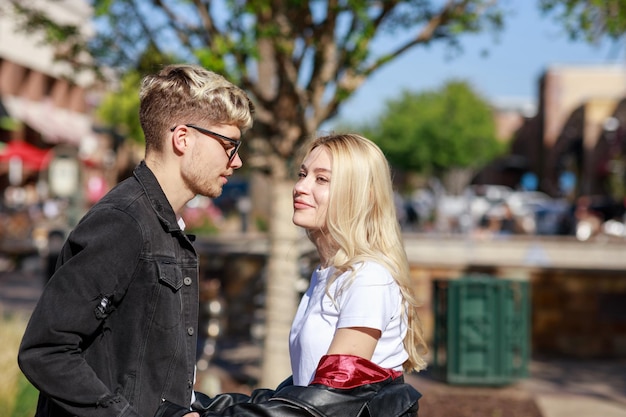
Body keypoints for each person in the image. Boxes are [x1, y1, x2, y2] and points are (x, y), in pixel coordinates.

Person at [18, 63, 255, 417]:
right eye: (229, 145)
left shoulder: (162, 225)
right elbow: (46, 349)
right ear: (183, 139)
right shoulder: (123, 222)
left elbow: (143, 374)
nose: (237, 161)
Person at [155, 133, 425, 417]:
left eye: (322, 179)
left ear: (361, 195)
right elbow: (299, 391)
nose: (300, 187)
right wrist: (200, 405)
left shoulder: (368, 278)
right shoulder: (328, 275)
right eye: (303, 174)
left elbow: (334, 398)